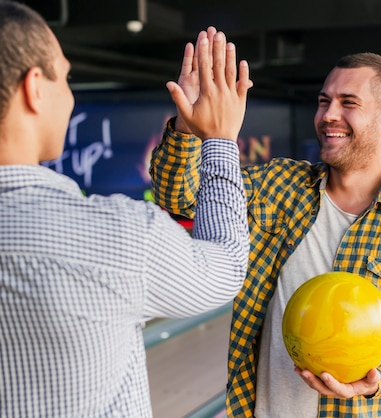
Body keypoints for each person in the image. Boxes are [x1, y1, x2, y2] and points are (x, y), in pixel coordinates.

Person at [151, 38, 381, 417]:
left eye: (348, 103)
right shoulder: (277, 185)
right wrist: (187, 129)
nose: (329, 114)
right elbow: (182, 198)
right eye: (324, 101)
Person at [0, 2, 251, 417]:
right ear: (35, 88)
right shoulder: (118, 234)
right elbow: (223, 270)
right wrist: (219, 139)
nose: (69, 93)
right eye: (65, 76)